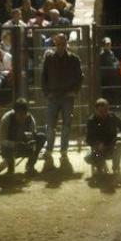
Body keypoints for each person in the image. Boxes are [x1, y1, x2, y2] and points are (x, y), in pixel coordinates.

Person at [41, 32, 83, 160]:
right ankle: (49, 150)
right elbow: (43, 77)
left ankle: (63, 150)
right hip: (53, 96)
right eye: (58, 44)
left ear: (66, 44)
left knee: (66, 125)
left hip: (67, 96)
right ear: (55, 44)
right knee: (50, 125)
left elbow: (80, 77)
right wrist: (47, 93)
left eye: (63, 44)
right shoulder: (49, 59)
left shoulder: (74, 59)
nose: (60, 46)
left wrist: (74, 91)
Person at [0, 98, 46, 175]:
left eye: (24, 114)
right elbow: (1, 140)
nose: (22, 117)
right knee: (4, 147)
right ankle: (10, 165)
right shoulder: (7, 119)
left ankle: (30, 165)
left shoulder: (30, 119)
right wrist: (14, 144)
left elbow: (33, 135)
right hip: (12, 146)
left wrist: (30, 142)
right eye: (19, 114)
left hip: (25, 145)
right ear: (15, 112)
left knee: (41, 137)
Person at [85, 98, 121, 176]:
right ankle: (99, 167)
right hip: (97, 149)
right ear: (96, 110)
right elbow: (88, 139)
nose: (103, 114)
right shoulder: (91, 121)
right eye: (101, 112)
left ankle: (116, 168)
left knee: (119, 144)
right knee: (92, 159)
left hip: (111, 145)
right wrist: (97, 144)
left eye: (105, 111)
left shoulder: (112, 117)